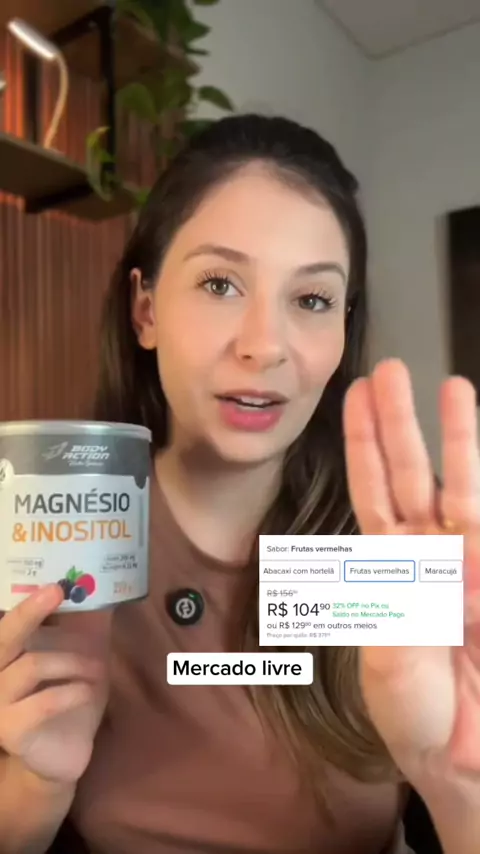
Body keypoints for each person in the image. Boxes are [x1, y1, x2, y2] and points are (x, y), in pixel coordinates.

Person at [0, 114, 478, 854]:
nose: (264, 346)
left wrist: (457, 786)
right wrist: (37, 786)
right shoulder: (52, 539)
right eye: (220, 283)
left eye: (312, 300)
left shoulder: (387, 554)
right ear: (145, 309)